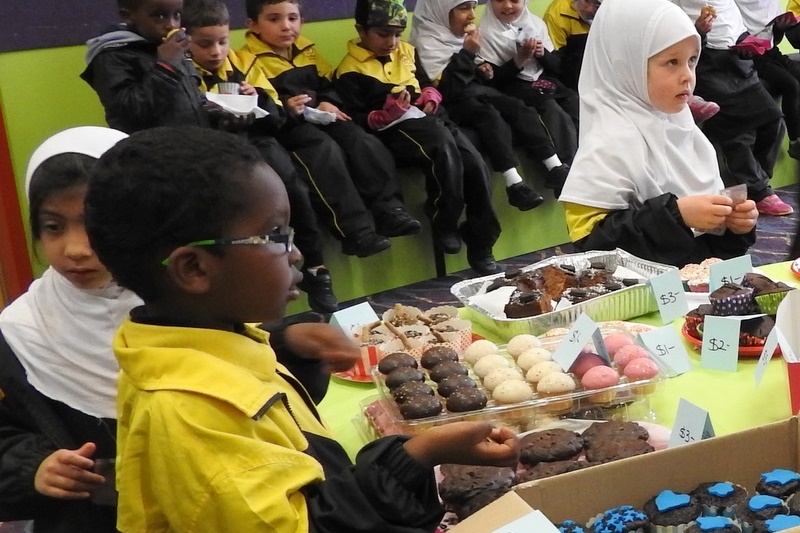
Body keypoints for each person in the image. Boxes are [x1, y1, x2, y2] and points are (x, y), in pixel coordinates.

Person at [83, 125, 519, 532]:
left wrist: (285, 346)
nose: (295, 254)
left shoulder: (207, 342)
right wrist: (419, 454)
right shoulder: (187, 415)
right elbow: (305, 523)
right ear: (194, 269)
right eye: (274, 235)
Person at [0, 126, 137, 532]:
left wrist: (288, 343)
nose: (76, 249)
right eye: (54, 227)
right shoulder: (19, 332)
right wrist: (33, 466)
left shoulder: (186, 304)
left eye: (94, 225)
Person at [558, 0, 759, 267]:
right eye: (671, 62)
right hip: (641, 303)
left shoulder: (689, 134)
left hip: (692, 299)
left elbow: (708, 253)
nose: (687, 76)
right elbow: (593, 251)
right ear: (625, 63)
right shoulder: (607, 144)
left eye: (691, 61)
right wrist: (676, 216)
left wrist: (734, 226)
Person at [181, 0, 343, 313]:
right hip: (216, 154)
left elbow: (277, 120)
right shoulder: (184, 75)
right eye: (205, 44)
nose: (216, 51)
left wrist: (258, 99)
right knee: (245, 215)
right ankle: (256, 291)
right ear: (186, 41)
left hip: (259, 143)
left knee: (293, 190)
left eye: (223, 41)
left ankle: (316, 269)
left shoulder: (243, 65)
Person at [334, 0, 505, 274]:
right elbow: (354, 119)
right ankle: (444, 219)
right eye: (382, 34)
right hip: (397, 131)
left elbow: (425, 83)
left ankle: (481, 239)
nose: (391, 42)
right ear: (361, 30)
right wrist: (385, 114)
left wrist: (430, 95)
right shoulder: (349, 70)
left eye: (397, 34)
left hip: (430, 119)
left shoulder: (407, 51)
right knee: (443, 149)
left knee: (475, 164)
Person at [240, 0, 423, 239]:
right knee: (325, 150)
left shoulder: (308, 50)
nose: (286, 27)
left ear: (302, 21)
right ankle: (355, 230)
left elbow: (328, 83)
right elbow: (263, 102)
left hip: (321, 116)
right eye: (274, 19)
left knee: (362, 139)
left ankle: (390, 211)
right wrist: (286, 106)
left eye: (293, 19)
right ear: (253, 25)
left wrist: (327, 101)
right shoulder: (247, 60)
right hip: (290, 126)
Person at [410, 0, 572, 200]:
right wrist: (469, 55)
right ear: (441, 12)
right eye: (463, 8)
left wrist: (482, 71)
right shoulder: (427, 43)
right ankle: (514, 183)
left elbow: (472, 74)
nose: (471, 15)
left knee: (520, 108)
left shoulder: (460, 37)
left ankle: (554, 166)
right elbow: (447, 90)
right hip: (456, 104)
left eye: (472, 7)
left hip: (478, 92)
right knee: (491, 117)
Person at [671, 0, 792, 217]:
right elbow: (673, 36)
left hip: (738, 65)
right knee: (738, 131)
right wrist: (698, 30)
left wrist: (748, 45)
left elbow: (735, 25)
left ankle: (758, 183)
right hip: (706, 66)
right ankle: (759, 190)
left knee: (774, 120)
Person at [477, 0, 580, 145]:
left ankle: (586, 153)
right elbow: (494, 82)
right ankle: (567, 162)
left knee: (573, 100)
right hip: (514, 87)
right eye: (499, 0)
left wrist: (542, 53)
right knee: (551, 109)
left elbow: (557, 68)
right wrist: (519, 59)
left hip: (544, 80)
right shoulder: (484, 33)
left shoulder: (536, 24)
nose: (507, 6)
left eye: (514, 0)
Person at [734, 0, 800, 160]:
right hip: (754, 57)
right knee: (791, 85)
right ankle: (796, 141)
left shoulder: (770, 3)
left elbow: (774, 40)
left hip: (771, 52)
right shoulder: (734, 5)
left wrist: (780, 27)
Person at [542, 0, 600, 90]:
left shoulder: (603, 15)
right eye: (597, 6)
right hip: (569, 72)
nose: (599, 12)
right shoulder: (557, 15)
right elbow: (556, 61)